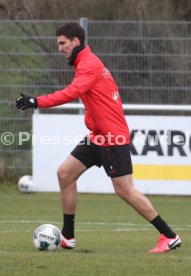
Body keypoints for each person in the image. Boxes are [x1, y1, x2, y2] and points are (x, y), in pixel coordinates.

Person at [16, 22, 181, 253]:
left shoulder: (89, 65)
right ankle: (68, 236)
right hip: (98, 136)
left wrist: (37, 101)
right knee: (65, 174)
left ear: (76, 41)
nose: (60, 48)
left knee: (125, 190)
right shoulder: (86, 62)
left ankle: (169, 235)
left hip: (112, 137)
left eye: (62, 43)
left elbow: (72, 92)